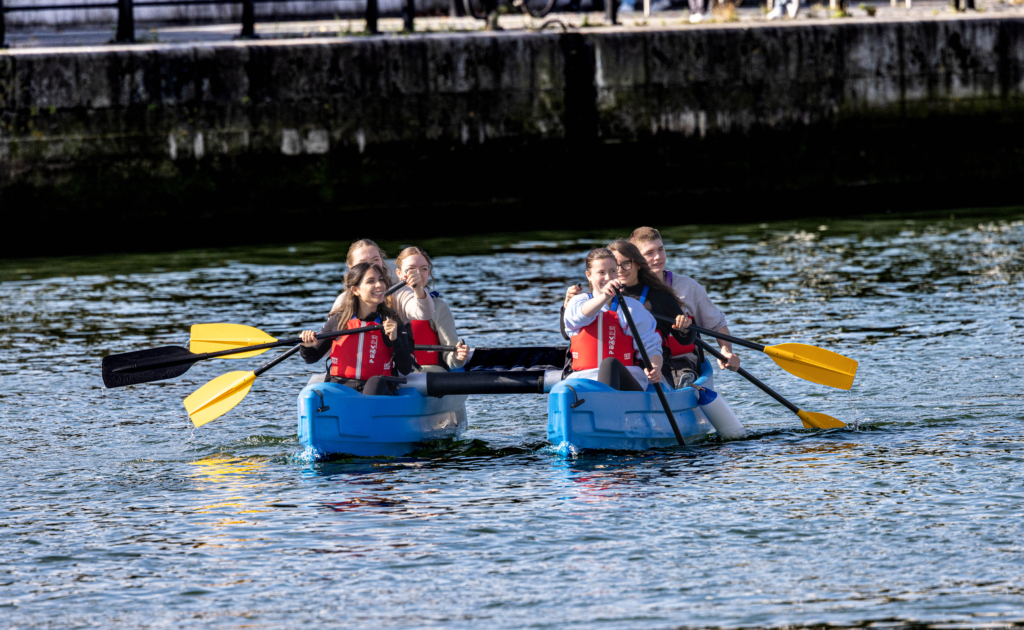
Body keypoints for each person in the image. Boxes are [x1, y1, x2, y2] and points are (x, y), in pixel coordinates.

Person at [299, 262, 415, 396]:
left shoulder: (391, 321)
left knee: (375, 383)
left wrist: (395, 340)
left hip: (377, 390)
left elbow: (405, 369)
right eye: (371, 281)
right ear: (355, 290)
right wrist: (305, 345)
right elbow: (311, 358)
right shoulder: (339, 320)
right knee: (311, 395)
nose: (379, 285)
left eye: (381, 280)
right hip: (341, 387)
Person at [562, 248, 666, 392]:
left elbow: (651, 346)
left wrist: (655, 367)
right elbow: (581, 317)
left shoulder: (632, 307)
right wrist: (605, 296)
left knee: (609, 364)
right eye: (601, 272)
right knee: (563, 390)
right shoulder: (577, 303)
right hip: (583, 382)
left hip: (626, 382)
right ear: (589, 276)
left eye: (612, 271)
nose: (608, 277)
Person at [606, 240, 698, 388]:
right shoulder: (602, 298)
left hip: (652, 372)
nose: (620, 270)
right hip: (612, 370)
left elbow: (684, 340)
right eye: (614, 266)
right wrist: (566, 307)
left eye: (626, 263)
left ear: (638, 264)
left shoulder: (660, 297)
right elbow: (568, 334)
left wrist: (685, 326)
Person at [394, 246, 469, 372]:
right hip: (395, 374)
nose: (417, 273)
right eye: (411, 268)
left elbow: (451, 356)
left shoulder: (439, 307)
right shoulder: (387, 304)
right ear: (399, 273)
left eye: (423, 269)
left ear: (428, 273)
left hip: (428, 375)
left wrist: (458, 357)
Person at [330, 238, 434, 323]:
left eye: (375, 259)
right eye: (363, 262)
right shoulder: (343, 300)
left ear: (382, 261)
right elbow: (329, 336)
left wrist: (418, 290)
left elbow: (426, 314)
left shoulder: (400, 293)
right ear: (352, 269)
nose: (371, 266)